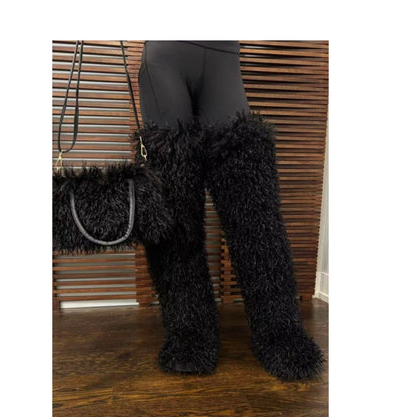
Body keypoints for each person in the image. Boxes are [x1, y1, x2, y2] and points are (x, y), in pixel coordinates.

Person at [134, 40, 323, 381]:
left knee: (255, 209)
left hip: (222, 51)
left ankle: (279, 332)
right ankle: (189, 334)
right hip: (164, 53)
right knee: (175, 210)